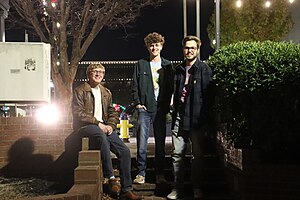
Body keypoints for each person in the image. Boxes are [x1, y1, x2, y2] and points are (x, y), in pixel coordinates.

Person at [72, 63, 143, 200]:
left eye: (101, 72)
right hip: (85, 127)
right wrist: (98, 123)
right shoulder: (80, 90)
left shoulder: (106, 92)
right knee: (101, 136)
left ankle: (126, 190)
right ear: (89, 74)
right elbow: (78, 113)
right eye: (95, 71)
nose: (98, 74)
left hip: (103, 127)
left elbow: (112, 112)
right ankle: (110, 179)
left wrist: (110, 125)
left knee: (124, 151)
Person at [167, 36, 214, 200]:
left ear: (198, 49)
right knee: (177, 155)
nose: (189, 50)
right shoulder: (178, 70)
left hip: (197, 118)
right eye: (187, 47)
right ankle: (177, 188)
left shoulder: (204, 69)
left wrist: (207, 120)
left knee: (198, 156)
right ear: (183, 49)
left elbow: (208, 97)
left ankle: (197, 187)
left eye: (193, 48)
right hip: (179, 117)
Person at [131, 32, 174, 184]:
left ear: (161, 46)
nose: (154, 47)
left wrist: (168, 104)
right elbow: (134, 85)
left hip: (161, 109)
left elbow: (170, 87)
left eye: (157, 44)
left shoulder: (168, 65)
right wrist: (137, 103)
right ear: (147, 47)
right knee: (141, 144)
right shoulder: (141, 64)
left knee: (160, 144)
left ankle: (160, 173)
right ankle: (141, 173)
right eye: (151, 45)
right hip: (144, 109)